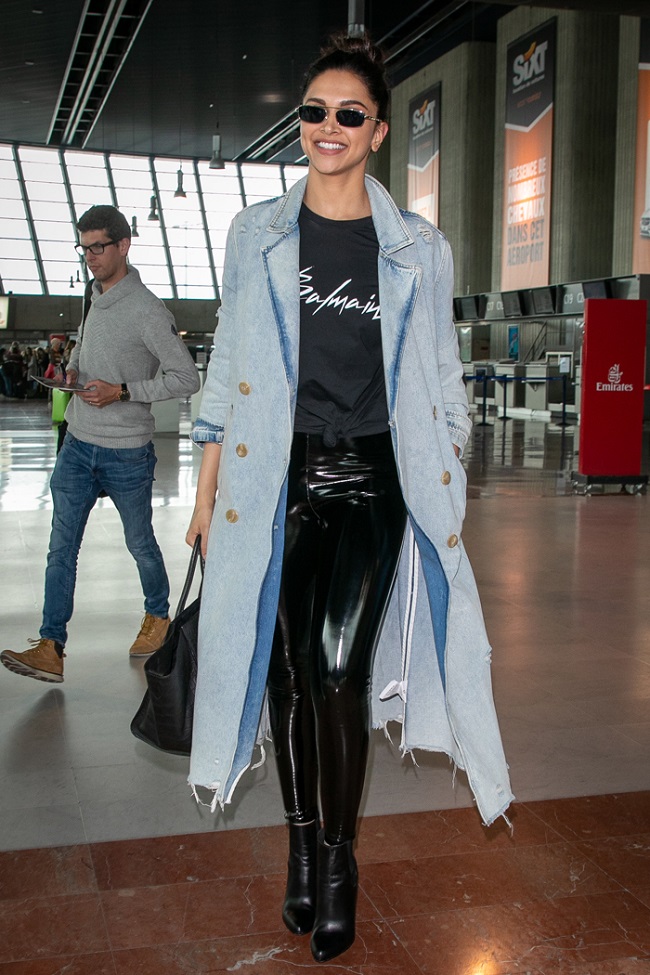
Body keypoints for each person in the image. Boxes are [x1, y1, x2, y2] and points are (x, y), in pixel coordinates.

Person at [186, 34, 512, 964]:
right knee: (285, 670)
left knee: (335, 671)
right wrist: (207, 498)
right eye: (314, 112)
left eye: (349, 115)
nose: (327, 128)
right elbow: (230, 374)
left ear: (377, 132)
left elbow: (446, 381)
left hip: (371, 478)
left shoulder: (416, 246)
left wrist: (442, 474)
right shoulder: (256, 233)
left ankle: (337, 860)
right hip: (272, 477)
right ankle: (296, 839)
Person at [1, 204, 200, 684]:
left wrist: (124, 392)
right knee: (60, 547)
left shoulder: (149, 310)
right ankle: (51, 646)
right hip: (78, 443)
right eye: (84, 247)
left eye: (98, 247)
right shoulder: (94, 297)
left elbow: (186, 377)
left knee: (140, 544)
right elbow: (97, 357)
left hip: (127, 450)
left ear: (124, 245)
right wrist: (76, 373)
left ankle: (158, 616)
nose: (90, 256)